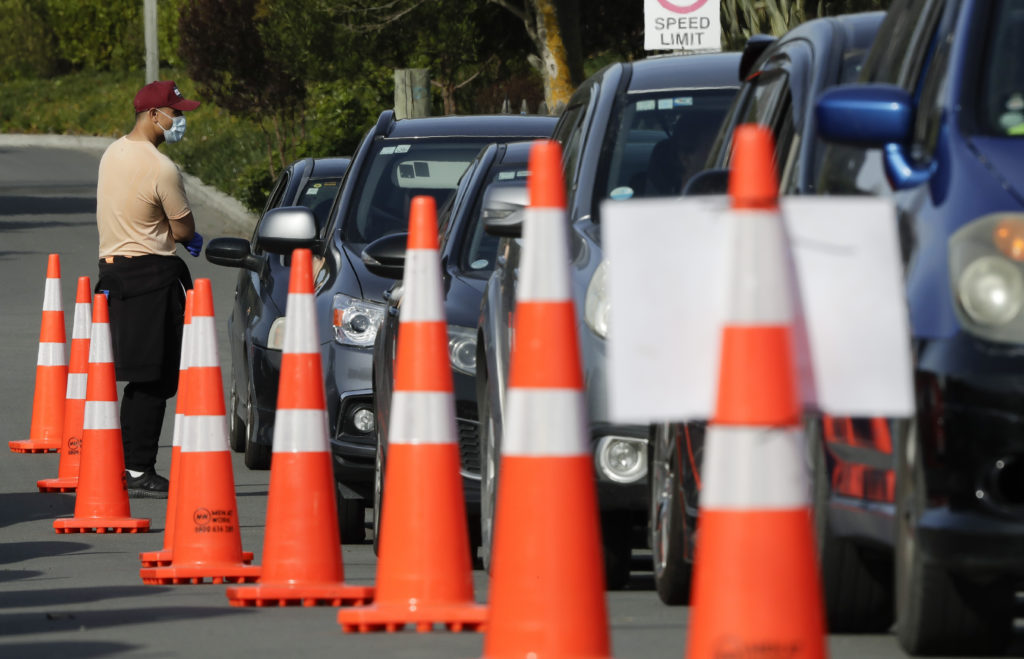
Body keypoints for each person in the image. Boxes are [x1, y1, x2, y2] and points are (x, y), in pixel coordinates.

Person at [95, 80, 204, 498]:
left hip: (116, 273)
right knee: (155, 379)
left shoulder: (112, 153)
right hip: (152, 277)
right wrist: (184, 236)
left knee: (138, 377)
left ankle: (129, 464)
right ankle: (138, 470)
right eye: (176, 113)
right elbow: (184, 228)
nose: (180, 120)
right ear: (154, 115)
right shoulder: (162, 168)